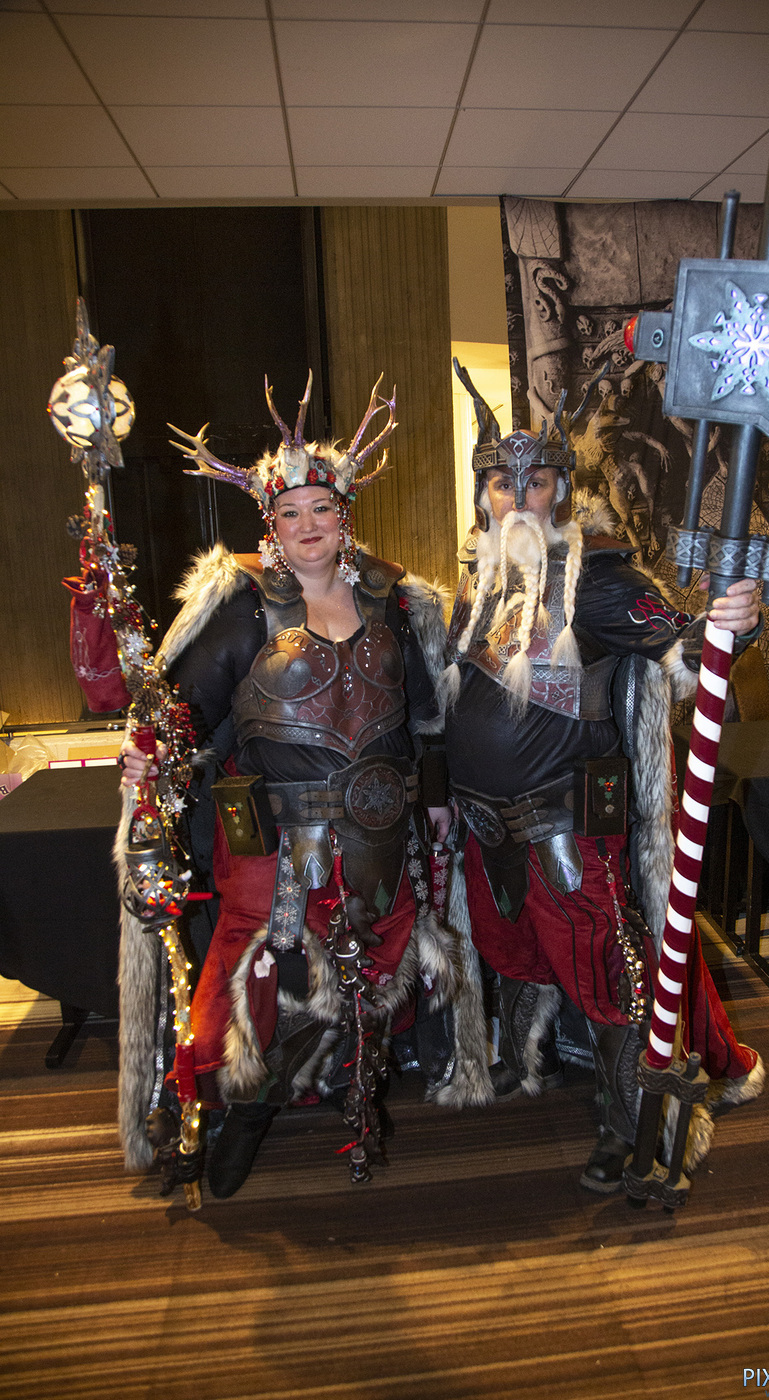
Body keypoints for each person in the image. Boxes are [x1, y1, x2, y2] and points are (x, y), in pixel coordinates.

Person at [118, 374, 488, 1200]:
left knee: (372, 973)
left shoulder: (395, 601)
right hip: (275, 842)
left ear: (343, 515)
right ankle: (243, 1109)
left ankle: (328, 1080)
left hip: (379, 833)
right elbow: (183, 714)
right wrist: (152, 757)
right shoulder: (243, 608)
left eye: (322, 508)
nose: (308, 525)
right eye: (291, 513)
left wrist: (434, 802)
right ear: (271, 525)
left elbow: (424, 718)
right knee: (254, 983)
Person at [441, 363, 765, 1193]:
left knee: (606, 977)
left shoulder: (600, 580)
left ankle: (629, 1124)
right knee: (513, 954)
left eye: (536, 482)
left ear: (560, 489)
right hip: (485, 826)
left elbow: (687, 650)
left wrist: (729, 624)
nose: (519, 498)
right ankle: (532, 1059)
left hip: (566, 828)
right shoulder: (473, 583)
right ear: (483, 495)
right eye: (503, 484)